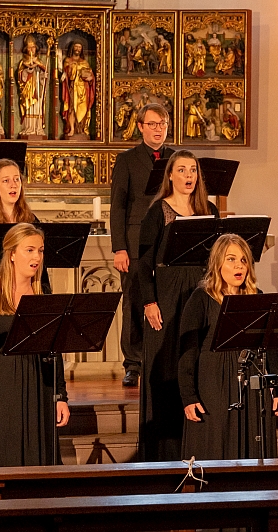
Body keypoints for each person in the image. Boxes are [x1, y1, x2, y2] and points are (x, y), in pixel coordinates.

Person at [137, 149, 219, 461]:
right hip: (168, 295)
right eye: (182, 170)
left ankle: (198, 439)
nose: (188, 176)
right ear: (170, 175)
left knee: (196, 356)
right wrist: (149, 301)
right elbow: (144, 262)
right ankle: (164, 449)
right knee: (168, 361)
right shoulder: (158, 211)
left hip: (200, 290)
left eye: (193, 170)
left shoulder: (209, 210)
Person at [178, 234, 278, 460]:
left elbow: (270, 347)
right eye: (231, 259)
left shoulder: (258, 298)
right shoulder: (201, 298)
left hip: (251, 382)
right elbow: (187, 353)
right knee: (217, 448)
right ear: (217, 263)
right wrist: (188, 396)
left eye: (243, 260)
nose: (239, 265)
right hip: (214, 385)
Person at [0, 223, 69, 467]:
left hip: (40, 385)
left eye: (41, 251)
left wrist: (61, 396)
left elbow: (54, 350)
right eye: (30, 250)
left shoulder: (43, 294)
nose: (37, 257)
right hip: (3, 387)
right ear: (12, 254)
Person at [110, 103, 176, 388]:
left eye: (162, 124)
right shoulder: (127, 160)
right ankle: (133, 364)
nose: (158, 129)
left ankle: (165, 358)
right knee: (135, 303)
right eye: (152, 124)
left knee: (168, 300)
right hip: (136, 243)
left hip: (169, 240)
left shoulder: (176, 158)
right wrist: (119, 248)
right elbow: (118, 206)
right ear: (140, 127)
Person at [60, 41, 95, 138]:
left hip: (83, 88)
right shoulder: (68, 60)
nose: (77, 49)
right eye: (76, 47)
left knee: (83, 109)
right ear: (72, 48)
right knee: (72, 108)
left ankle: (81, 129)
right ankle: (72, 129)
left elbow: (90, 74)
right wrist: (70, 68)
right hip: (73, 87)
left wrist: (91, 78)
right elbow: (66, 74)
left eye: (79, 47)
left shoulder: (85, 62)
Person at [16, 36, 47, 137]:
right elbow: (20, 76)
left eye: (33, 47)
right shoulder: (23, 61)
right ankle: (29, 128)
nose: (31, 50)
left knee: (37, 108)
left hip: (37, 88)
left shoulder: (39, 61)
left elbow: (43, 75)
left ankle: (38, 128)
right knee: (29, 107)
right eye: (29, 47)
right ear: (26, 49)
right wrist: (27, 71)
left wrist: (43, 76)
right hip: (28, 89)